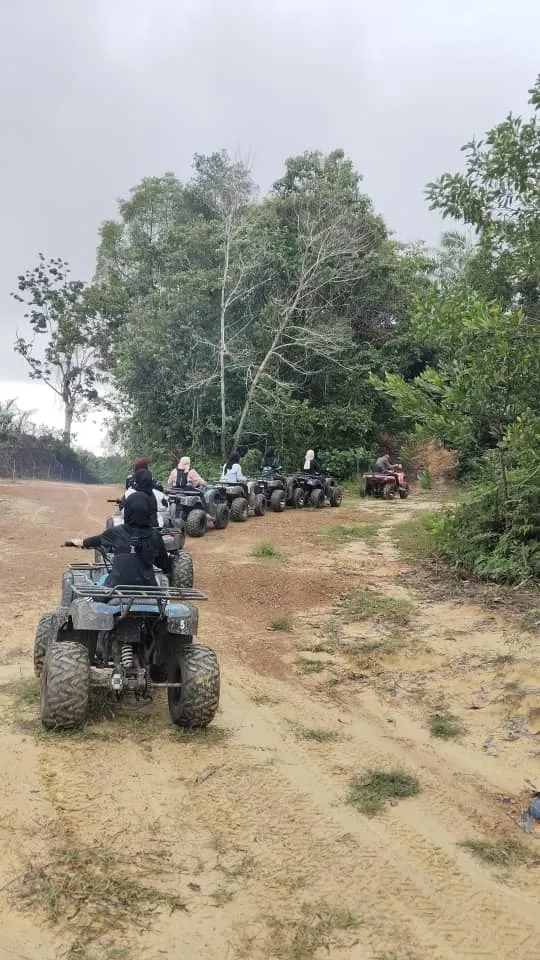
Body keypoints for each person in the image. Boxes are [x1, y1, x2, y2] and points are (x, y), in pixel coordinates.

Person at [67, 492, 171, 588]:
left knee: (93, 593)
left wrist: (80, 543)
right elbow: (164, 565)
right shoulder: (155, 535)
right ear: (149, 511)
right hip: (148, 589)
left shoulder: (116, 532)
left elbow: (96, 541)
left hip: (115, 588)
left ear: (127, 510)